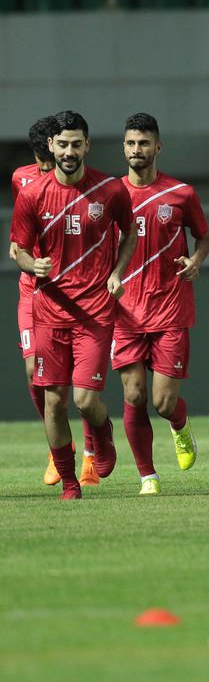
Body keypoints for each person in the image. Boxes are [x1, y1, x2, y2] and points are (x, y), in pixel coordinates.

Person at [9, 110, 136, 499]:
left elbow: (130, 233)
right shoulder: (32, 193)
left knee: (84, 399)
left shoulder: (110, 189)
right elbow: (19, 249)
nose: (68, 151)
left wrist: (118, 272)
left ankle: (102, 431)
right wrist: (33, 265)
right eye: (62, 144)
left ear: (87, 145)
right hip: (49, 310)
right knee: (54, 401)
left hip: (94, 312)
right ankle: (69, 482)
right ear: (51, 146)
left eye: (76, 144)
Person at [113, 113, 209, 495]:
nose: (136, 149)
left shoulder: (181, 193)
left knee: (163, 402)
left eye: (143, 143)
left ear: (158, 146)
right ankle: (148, 477)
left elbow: (204, 237)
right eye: (130, 143)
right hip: (124, 311)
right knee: (134, 395)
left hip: (170, 308)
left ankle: (180, 425)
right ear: (123, 147)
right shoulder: (110, 195)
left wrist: (196, 261)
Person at [10, 115, 65, 486]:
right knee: (34, 371)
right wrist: (20, 251)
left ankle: (92, 448)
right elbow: (21, 234)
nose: (48, 169)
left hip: (72, 288)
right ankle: (57, 447)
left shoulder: (79, 183)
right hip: (32, 287)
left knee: (75, 382)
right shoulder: (21, 178)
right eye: (42, 162)